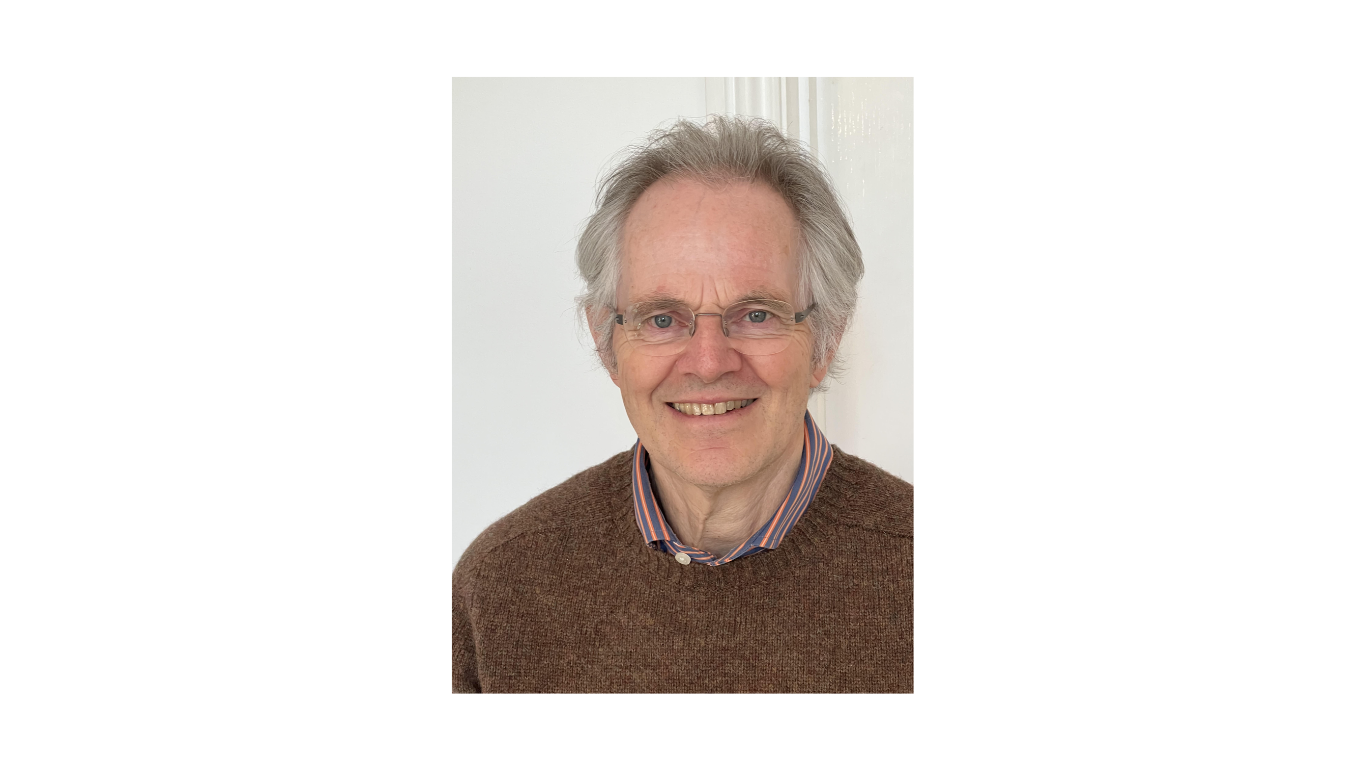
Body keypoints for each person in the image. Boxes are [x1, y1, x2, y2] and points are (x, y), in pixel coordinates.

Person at [452, 115, 912, 693]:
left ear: (826, 338)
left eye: (757, 314)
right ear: (606, 341)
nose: (709, 362)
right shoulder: (501, 587)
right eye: (662, 319)